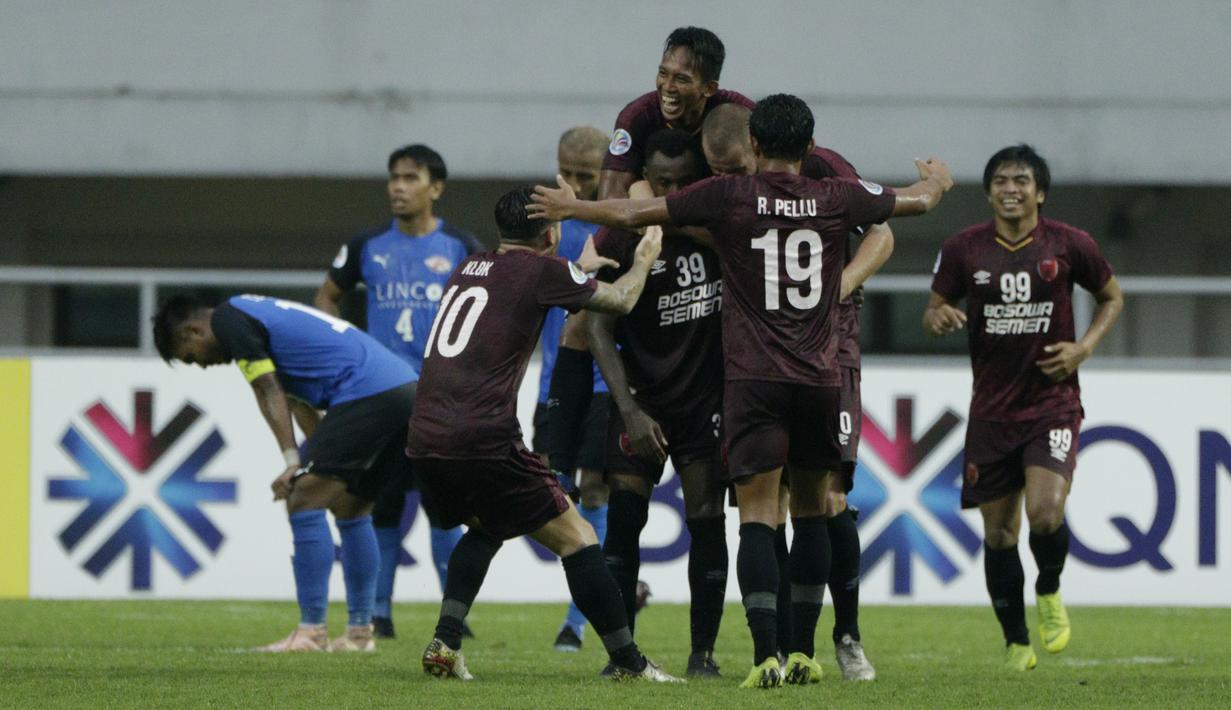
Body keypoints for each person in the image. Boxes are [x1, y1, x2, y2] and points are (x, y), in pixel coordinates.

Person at [529, 93, 952, 688]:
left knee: (757, 515)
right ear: (809, 148)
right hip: (819, 378)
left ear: (753, 146)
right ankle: (805, 651)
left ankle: (765, 658)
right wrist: (935, 181)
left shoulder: (730, 195)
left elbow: (632, 217)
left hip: (753, 382)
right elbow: (915, 203)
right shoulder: (837, 195)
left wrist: (574, 204)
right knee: (811, 512)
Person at [409, 187, 678, 683]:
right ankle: (629, 663)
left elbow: (534, 289)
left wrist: (584, 267)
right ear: (550, 233)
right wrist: (644, 259)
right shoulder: (542, 271)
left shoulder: (469, 266)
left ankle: (445, 642)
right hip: (483, 435)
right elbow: (618, 300)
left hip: (425, 435)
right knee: (578, 538)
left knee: (486, 525)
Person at [701, 103, 890, 681]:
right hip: (759, 354)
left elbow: (880, 232)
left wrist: (842, 286)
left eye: (736, 165)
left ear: (757, 146)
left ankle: (847, 634)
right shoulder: (730, 191)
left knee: (826, 498)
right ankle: (782, 649)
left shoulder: (826, 171)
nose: (736, 178)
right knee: (771, 505)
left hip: (830, 353)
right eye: (721, 170)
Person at [924, 144, 1123, 671]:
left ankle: (1051, 589)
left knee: (1045, 512)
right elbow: (934, 308)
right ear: (989, 191)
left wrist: (1084, 348)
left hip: (1052, 404)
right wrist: (939, 316)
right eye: (1001, 181)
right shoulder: (964, 248)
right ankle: (1016, 642)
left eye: (1021, 181)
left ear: (1040, 192)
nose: (1011, 189)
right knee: (999, 533)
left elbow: (1112, 297)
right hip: (991, 412)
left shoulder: (1068, 243)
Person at [152, 294, 418, 653]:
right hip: (405, 390)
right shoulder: (260, 315)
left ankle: (311, 633)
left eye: (191, 358)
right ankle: (359, 635)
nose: (200, 365)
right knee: (352, 507)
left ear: (192, 331)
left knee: (302, 497)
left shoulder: (230, 321)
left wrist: (295, 464)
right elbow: (298, 402)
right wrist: (317, 460)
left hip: (367, 391)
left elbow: (267, 390)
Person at [314, 144, 481, 640]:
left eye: (410, 177)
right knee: (378, 504)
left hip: (439, 394)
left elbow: (485, 306)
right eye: (393, 177)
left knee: (444, 507)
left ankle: (454, 614)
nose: (398, 187)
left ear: (436, 187)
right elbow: (327, 294)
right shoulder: (367, 246)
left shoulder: (460, 245)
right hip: (382, 396)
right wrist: (343, 349)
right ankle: (379, 613)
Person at [587, 128, 728, 677]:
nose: (672, 191)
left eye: (684, 181)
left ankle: (703, 656)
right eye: (662, 181)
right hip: (641, 401)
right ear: (646, 180)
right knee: (623, 522)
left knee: (707, 521)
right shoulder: (626, 238)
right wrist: (629, 412)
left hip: (706, 402)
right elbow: (597, 328)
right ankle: (623, 657)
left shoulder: (720, 233)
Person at [534, 127, 615, 653]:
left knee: (597, 489)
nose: (578, 185)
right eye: (570, 173)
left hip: (607, 380)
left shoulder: (616, 225)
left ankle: (577, 621)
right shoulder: (545, 226)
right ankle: (609, 587)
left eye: (588, 176)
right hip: (553, 382)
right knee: (544, 493)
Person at [598, 26, 753, 201]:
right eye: (663, 73)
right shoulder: (637, 116)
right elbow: (609, 196)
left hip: (725, 216)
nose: (667, 87)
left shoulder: (741, 115)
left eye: (681, 79)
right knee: (636, 193)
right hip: (653, 218)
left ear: (709, 88)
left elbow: (779, 179)